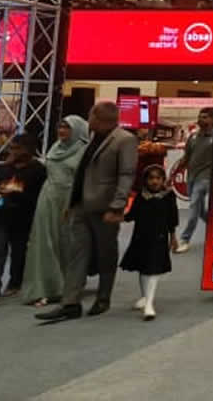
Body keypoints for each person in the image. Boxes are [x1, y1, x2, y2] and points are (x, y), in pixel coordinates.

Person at [36, 101, 136, 321]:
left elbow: (126, 175)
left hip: (105, 207)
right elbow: (81, 173)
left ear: (100, 118)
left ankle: (103, 297)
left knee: (106, 254)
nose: (88, 120)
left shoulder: (124, 140)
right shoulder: (91, 138)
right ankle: (70, 303)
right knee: (76, 254)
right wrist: (70, 204)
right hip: (80, 206)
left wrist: (117, 206)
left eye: (91, 115)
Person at [22, 115, 89, 307]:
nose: (62, 131)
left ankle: (67, 285)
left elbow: (84, 179)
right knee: (44, 242)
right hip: (48, 198)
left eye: (67, 127)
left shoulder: (84, 151)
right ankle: (43, 288)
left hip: (70, 200)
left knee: (68, 242)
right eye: (60, 127)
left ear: (77, 130)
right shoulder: (55, 147)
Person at [0, 134, 45, 307]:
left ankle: (15, 282)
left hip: (22, 217)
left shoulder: (38, 170)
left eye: (16, 148)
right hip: (0, 215)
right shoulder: (6, 167)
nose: (12, 151)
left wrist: (16, 192)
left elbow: (37, 196)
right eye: (11, 148)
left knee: (19, 253)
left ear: (27, 149)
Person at [120, 165, 178, 321]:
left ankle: (149, 304)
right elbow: (132, 215)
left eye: (158, 178)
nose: (154, 181)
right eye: (151, 178)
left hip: (159, 238)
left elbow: (172, 217)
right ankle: (145, 296)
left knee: (154, 269)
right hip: (141, 237)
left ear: (163, 180)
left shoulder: (168, 196)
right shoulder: (141, 196)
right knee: (143, 267)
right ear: (145, 180)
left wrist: (173, 236)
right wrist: (118, 217)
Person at [171, 107, 213, 254]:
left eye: (205, 117)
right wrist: (172, 176)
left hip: (206, 178)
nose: (201, 119)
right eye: (200, 116)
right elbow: (186, 158)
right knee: (200, 210)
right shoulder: (193, 137)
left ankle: (185, 239)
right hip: (191, 177)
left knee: (193, 207)